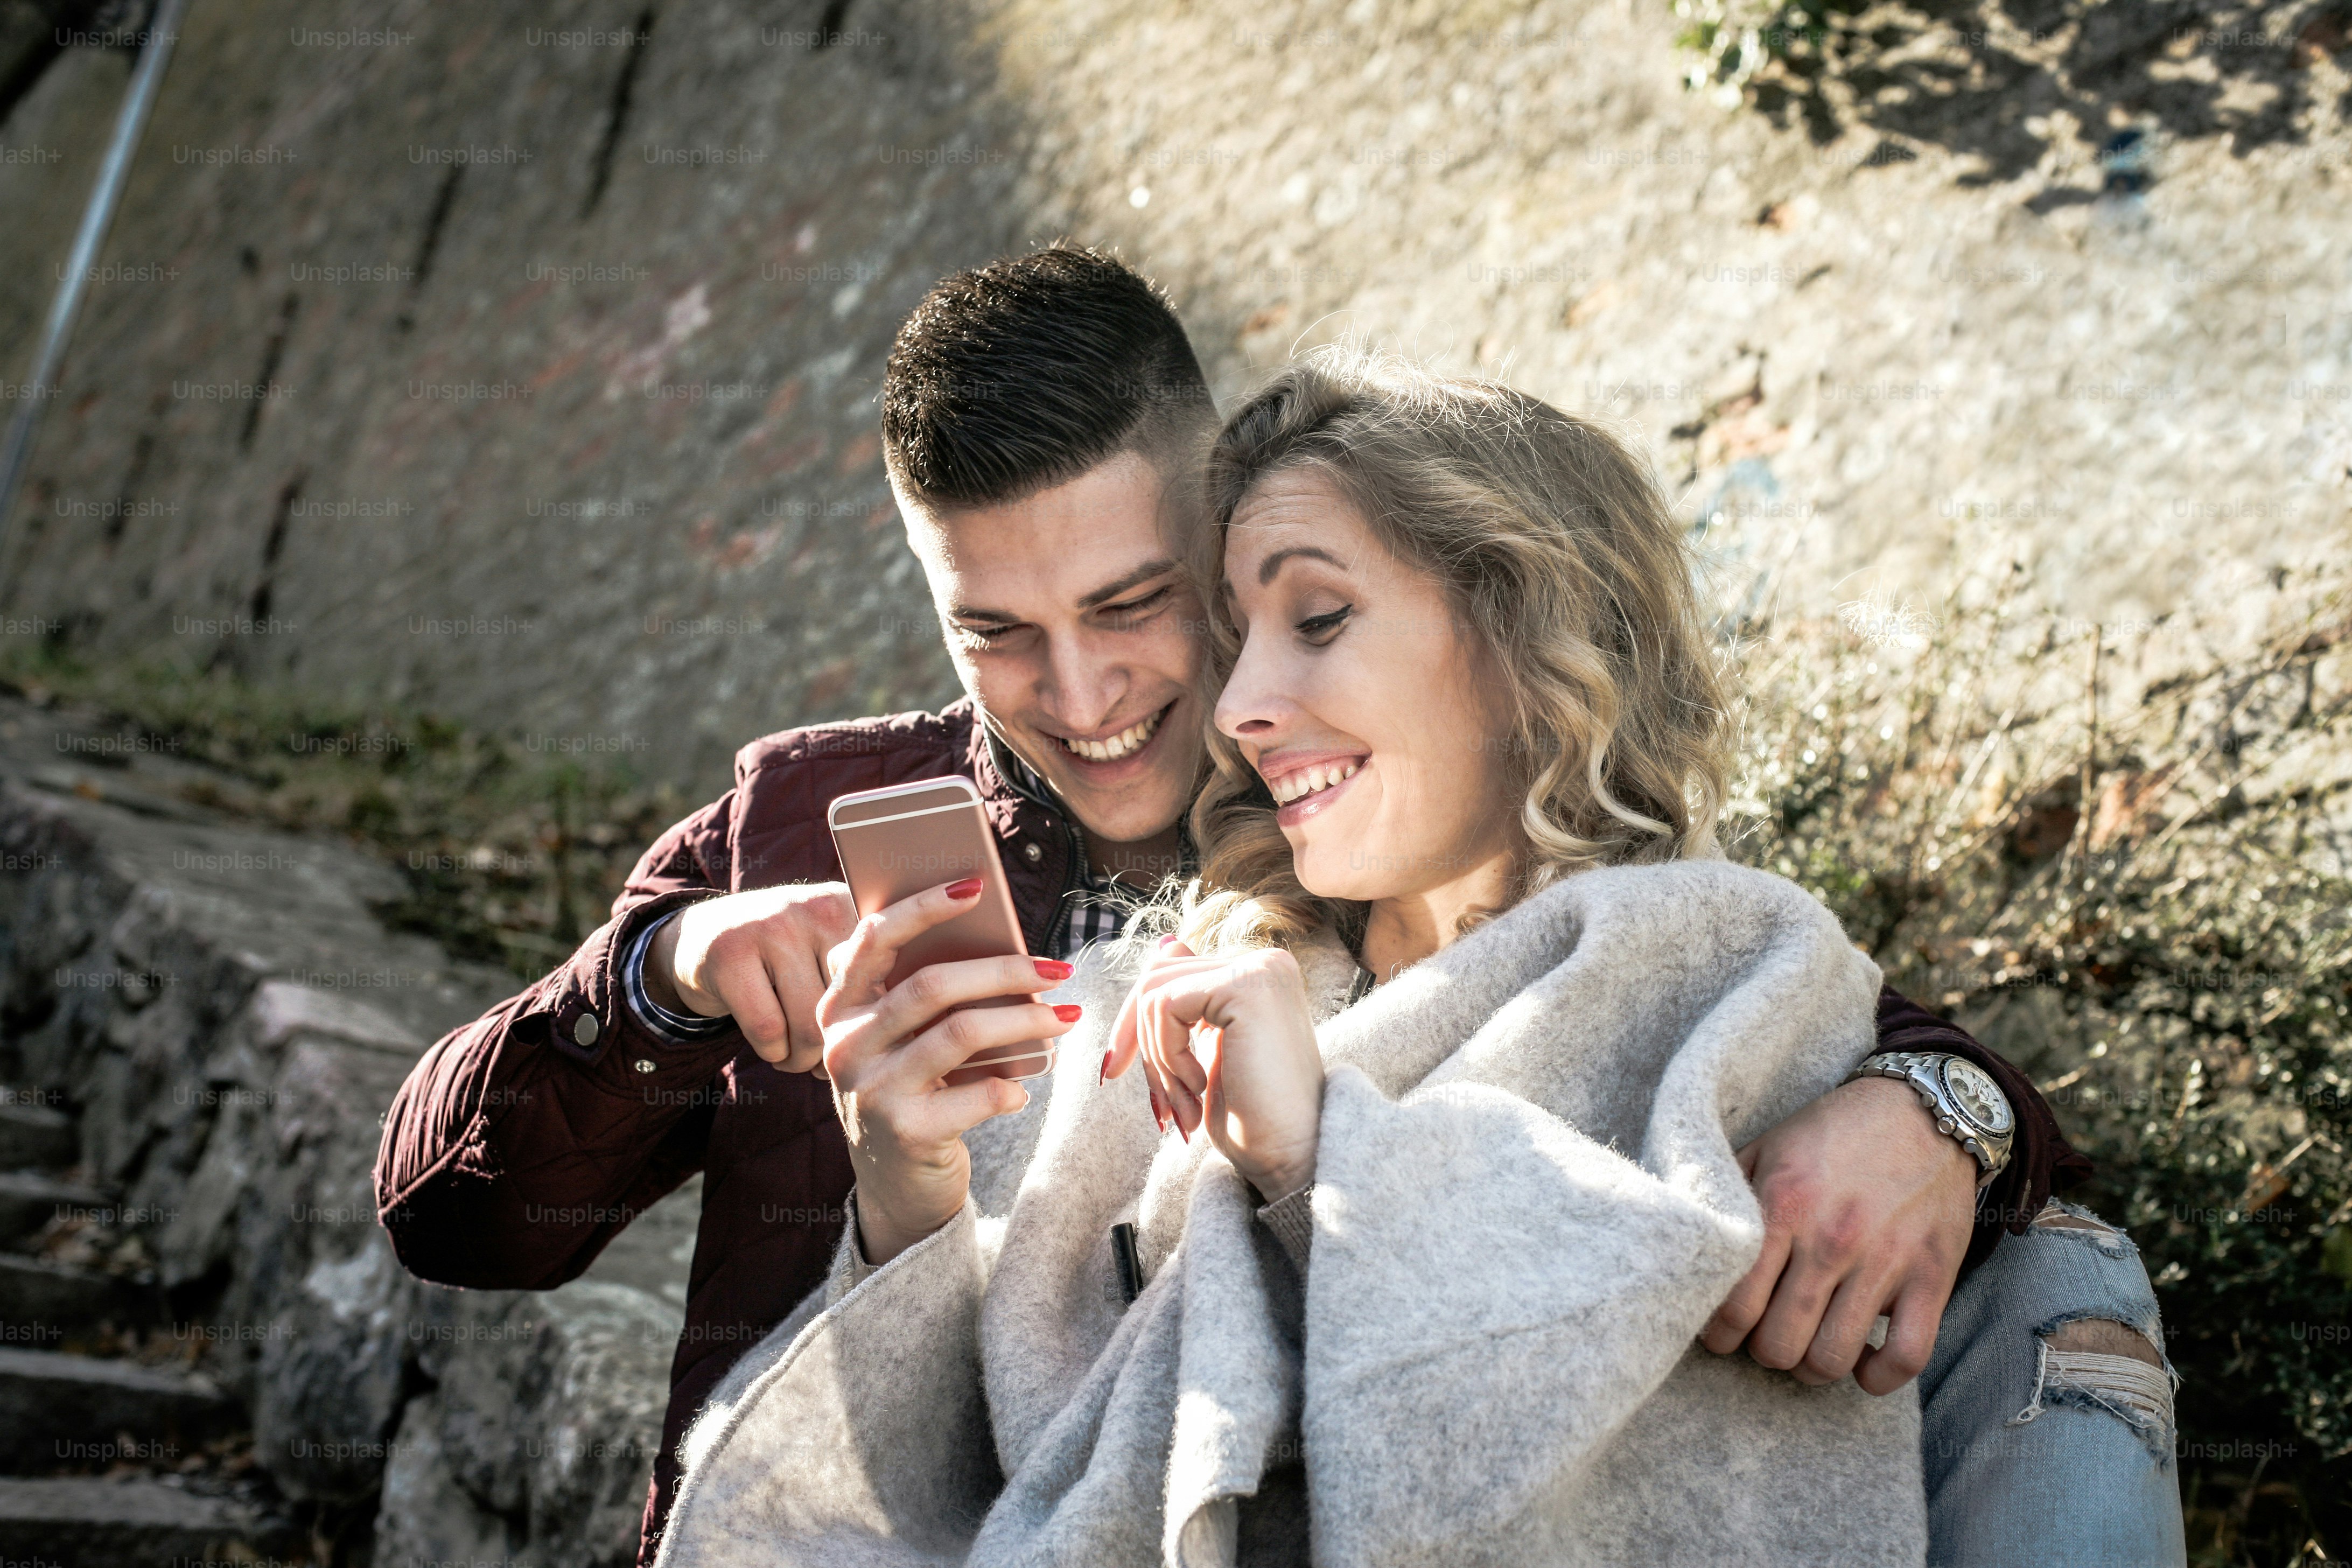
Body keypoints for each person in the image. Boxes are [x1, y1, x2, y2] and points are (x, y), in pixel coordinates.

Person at [374, 249, 2099, 1566]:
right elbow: (456, 1225)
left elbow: (1685, 1018)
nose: (1083, 692)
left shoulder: (1373, 819)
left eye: (1137, 603)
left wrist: (1949, 1107)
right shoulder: (798, 823)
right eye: (995, 634)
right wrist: (663, 980)